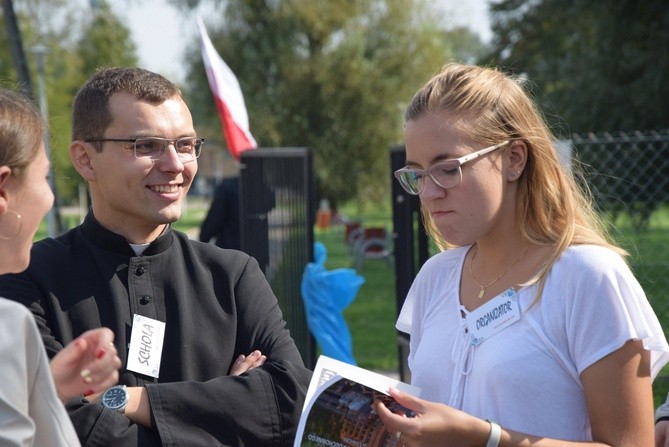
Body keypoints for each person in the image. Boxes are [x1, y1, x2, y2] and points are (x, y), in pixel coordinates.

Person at [0, 67, 311, 446]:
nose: (175, 165)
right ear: (85, 159)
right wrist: (224, 409)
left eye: (185, 145)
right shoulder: (27, 277)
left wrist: (129, 400)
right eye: (146, 146)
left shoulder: (232, 276)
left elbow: (292, 403)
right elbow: (64, 426)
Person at [373, 63, 669, 447]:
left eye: (448, 169)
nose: (428, 194)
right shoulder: (435, 277)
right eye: (417, 174)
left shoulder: (588, 277)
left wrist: (487, 439)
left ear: (514, 159)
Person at [0, 88, 122, 446]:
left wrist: (48, 387)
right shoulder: (8, 324)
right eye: (45, 178)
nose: (49, 197)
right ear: (4, 191)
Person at [199, 176, 241, 250]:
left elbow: (214, 219)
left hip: (231, 250)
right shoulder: (262, 187)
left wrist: (203, 239)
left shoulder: (229, 187)